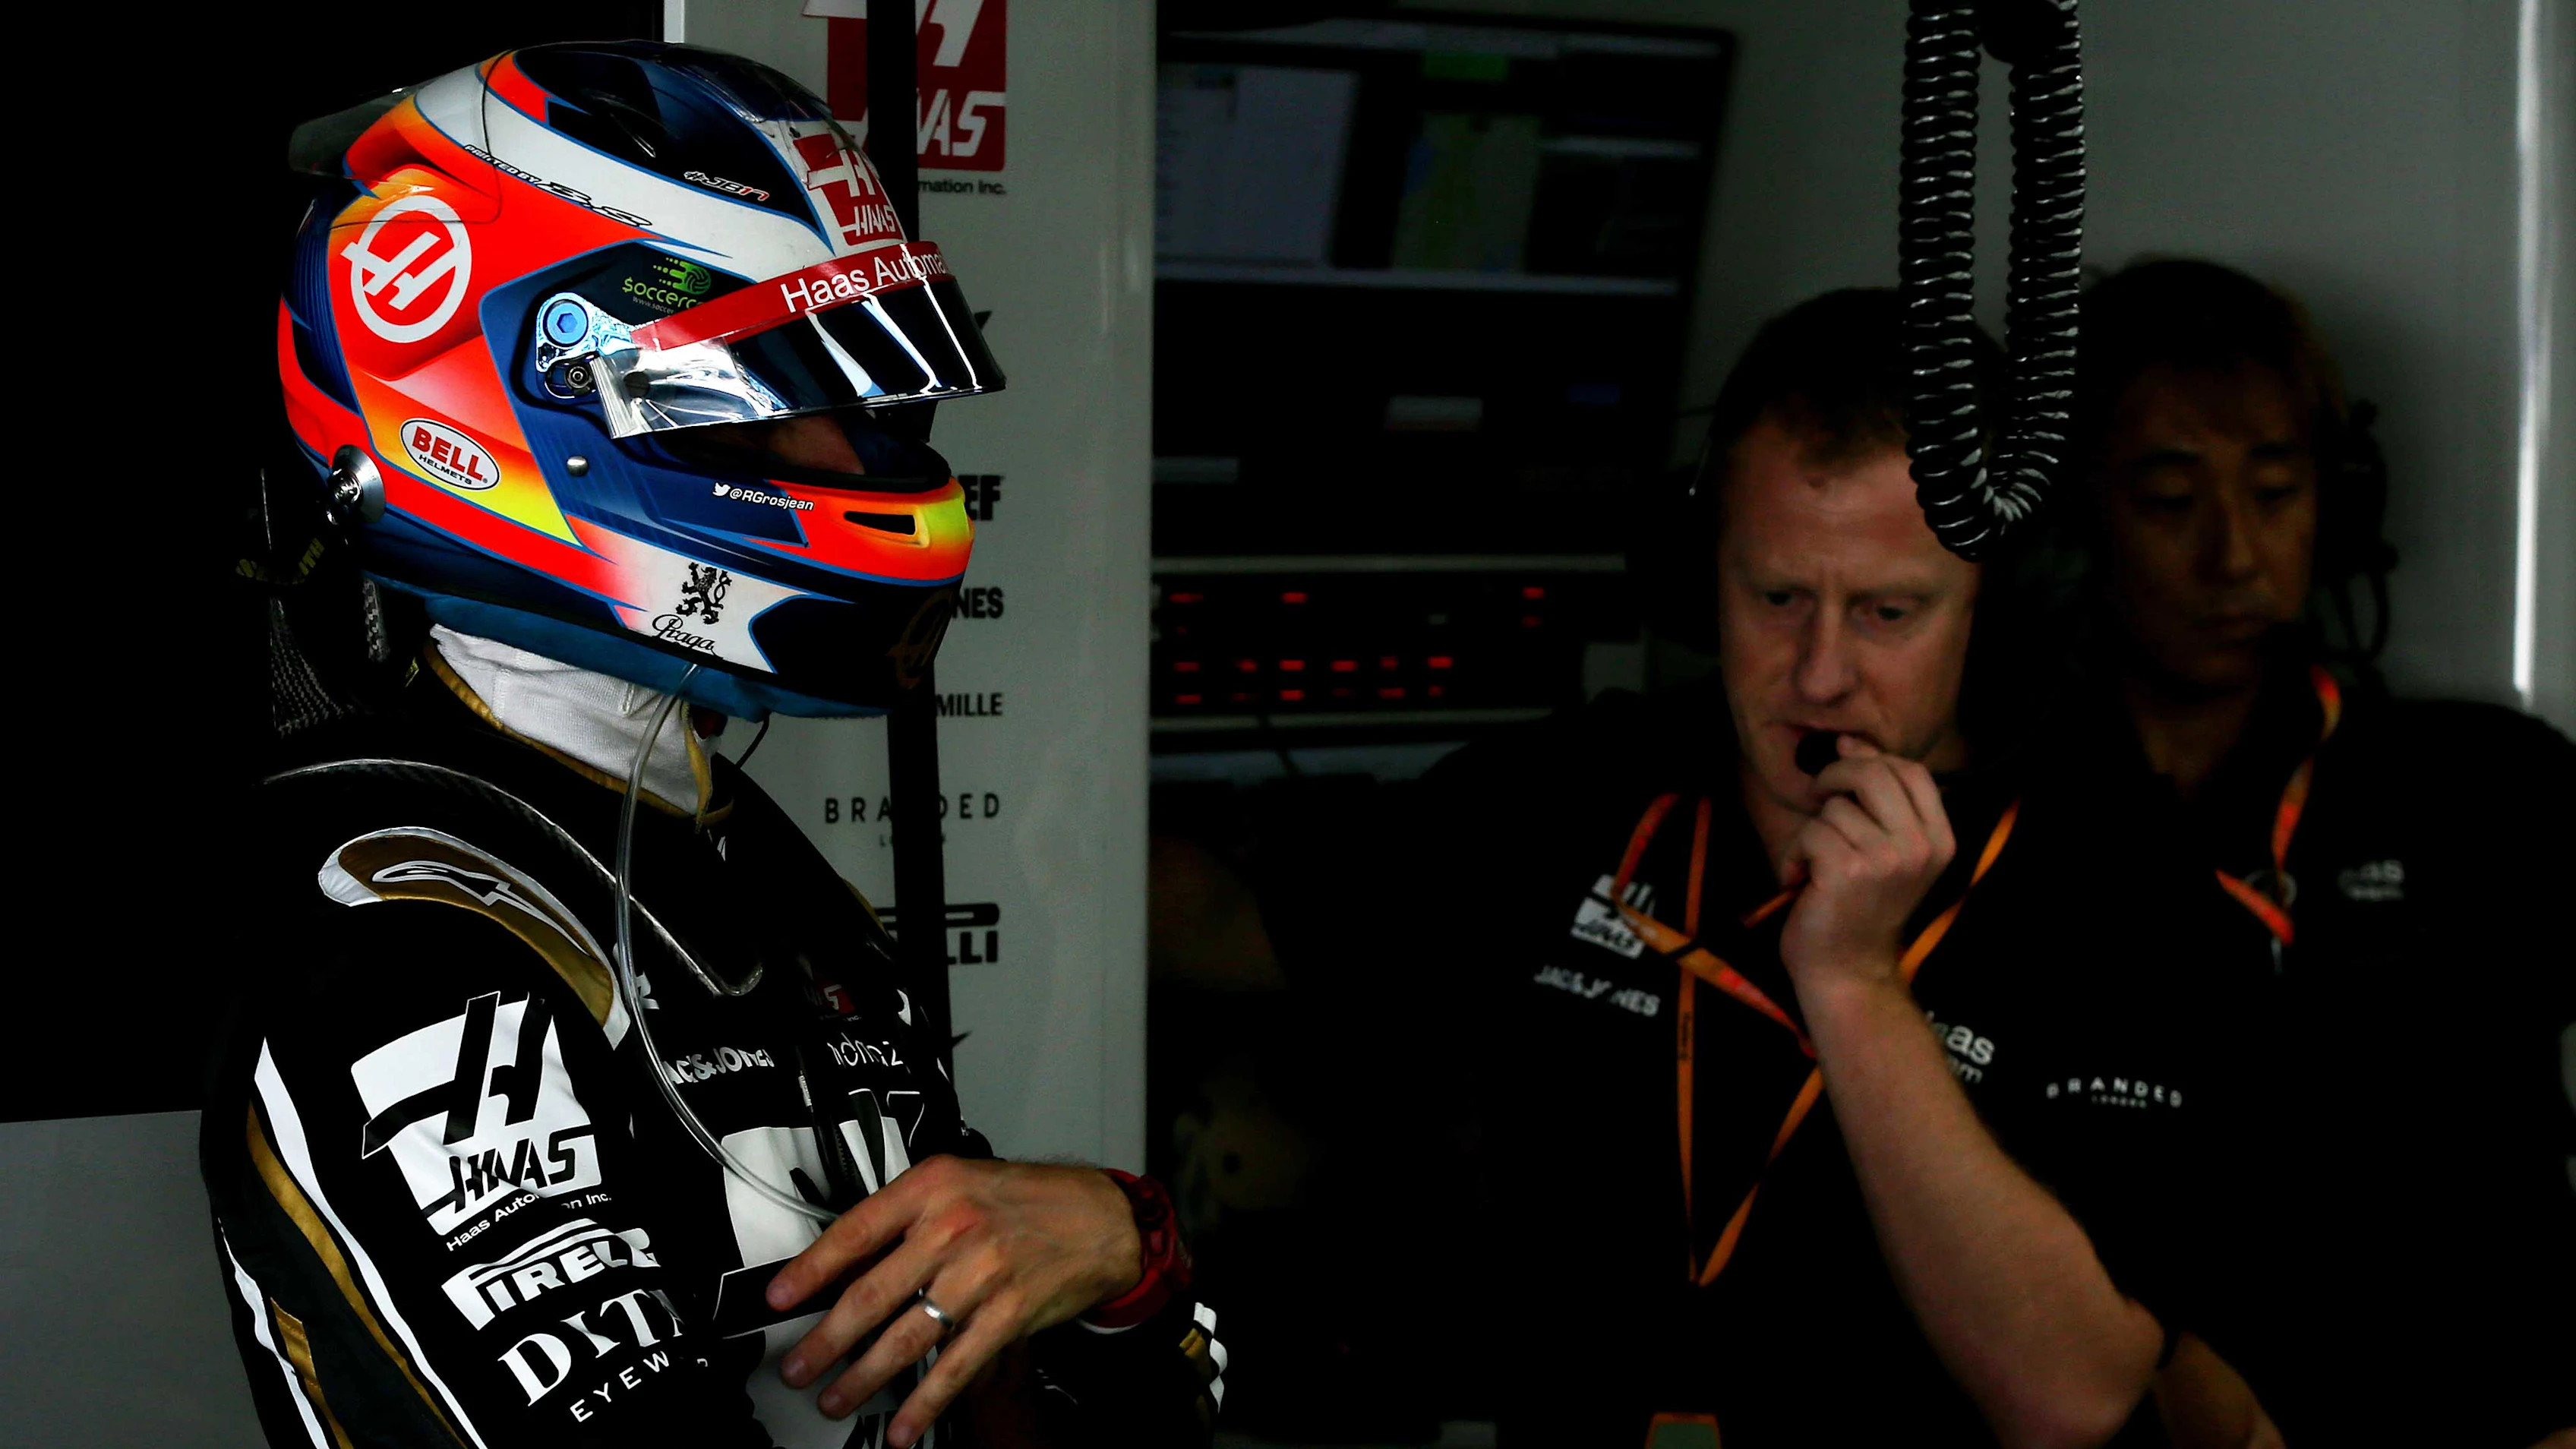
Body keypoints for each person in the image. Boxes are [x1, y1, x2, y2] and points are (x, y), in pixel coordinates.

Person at [206, 43, 1222, 1449]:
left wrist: (1125, 1260)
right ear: (510, 406)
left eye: (875, 399)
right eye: (782, 390)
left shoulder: (742, 861)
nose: (867, 461)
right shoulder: (405, 948)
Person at [1388, 289, 2244, 1446]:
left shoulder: (2127, 894)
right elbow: (1215, 923)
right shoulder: (1561, 797)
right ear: (1701, 572)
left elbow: (2070, 1395)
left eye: (1888, 612)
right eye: (1778, 597)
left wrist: (1854, 983)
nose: (1820, 674)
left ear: (2000, 608)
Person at [2060, 259, 2576, 1447]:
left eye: (2278, 492)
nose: (2235, 555)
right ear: (2077, 513)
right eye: (2171, 499)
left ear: (2337, 504)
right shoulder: (1999, 816)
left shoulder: (2492, 788)